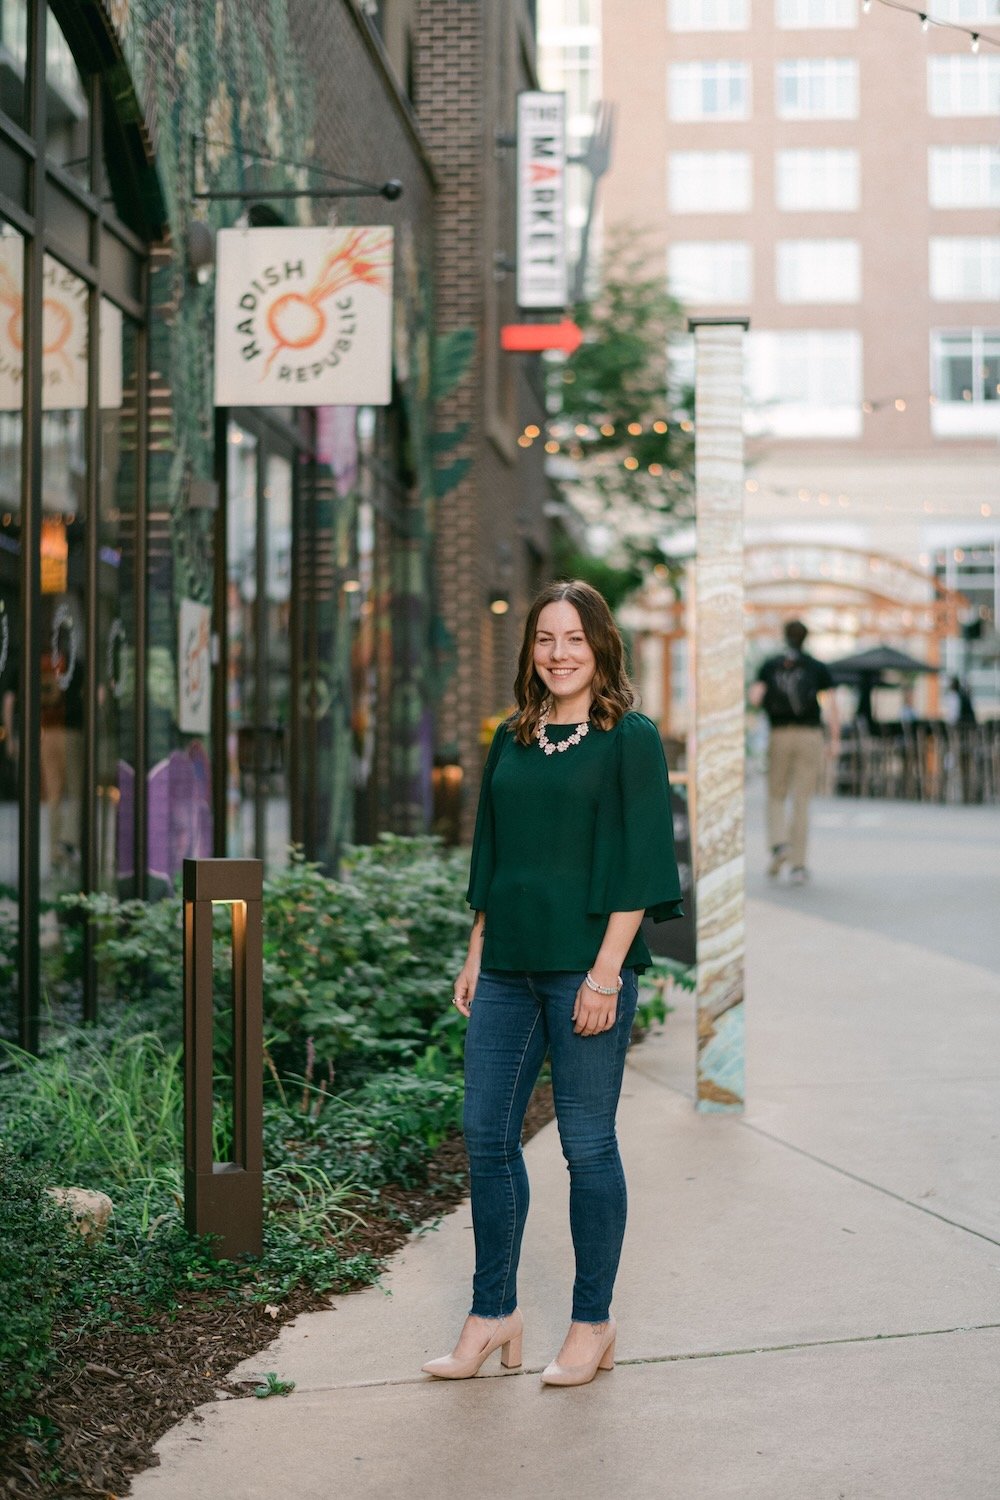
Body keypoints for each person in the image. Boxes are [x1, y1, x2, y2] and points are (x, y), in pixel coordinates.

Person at [422, 580, 682, 1388]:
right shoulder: (514, 736)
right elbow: (493, 855)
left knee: (587, 1145)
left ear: (601, 646)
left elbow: (642, 864)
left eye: (574, 638)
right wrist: (476, 948)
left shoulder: (629, 739)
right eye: (545, 639)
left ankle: (592, 1322)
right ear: (530, 649)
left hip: (585, 969)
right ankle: (493, 1311)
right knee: (488, 1137)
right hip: (506, 969)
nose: (559, 653)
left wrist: (606, 974)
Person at [749, 619, 839, 886]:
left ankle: (779, 844)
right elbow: (833, 705)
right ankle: (798, 865)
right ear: (806, 638)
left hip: (779, 734)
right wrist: (834, 739)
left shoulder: (770, 665)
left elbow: (755, 697)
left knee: (776, 793)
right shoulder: (817, 667)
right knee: (802, 799)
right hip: (810, 735)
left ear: (785, 637)